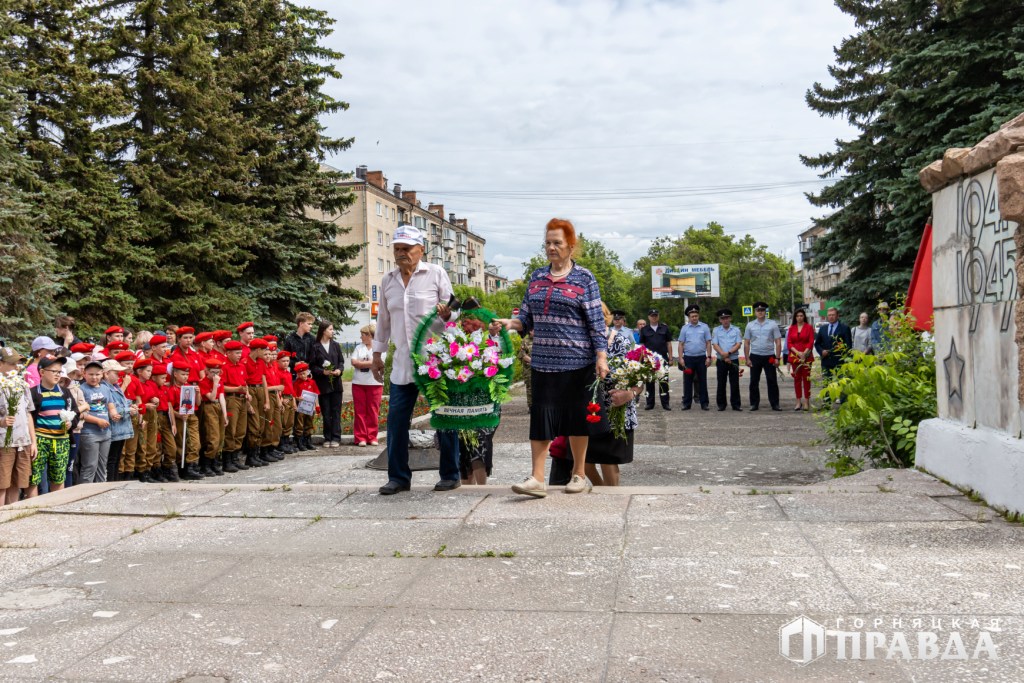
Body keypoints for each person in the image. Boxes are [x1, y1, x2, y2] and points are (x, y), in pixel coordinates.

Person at [496, 217, 608, 498]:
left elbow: (596, 322)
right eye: (547, 242)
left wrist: (601, 356)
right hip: (543, 362)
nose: (551, 247)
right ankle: (537, 478)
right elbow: (525, 318)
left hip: (577, 362)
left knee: (577, 420)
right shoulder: (536, 277)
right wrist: (510, 324)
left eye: (557, 242)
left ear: (571, 246)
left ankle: (579, 475)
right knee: (541, 419)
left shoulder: (584, 278)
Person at [372, 223, 462, 495]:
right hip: (402, 363)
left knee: (444, 418)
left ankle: (450, 473)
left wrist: (447, 314)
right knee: (397, 421)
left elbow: (454, 314)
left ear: (420, 250)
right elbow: (383, 321)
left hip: (435, 359)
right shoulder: (388, 280)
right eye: (397, 248)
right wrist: (377, 354)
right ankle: (398, 477)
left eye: (406, 248)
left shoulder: (436, 273)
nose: (401, 253)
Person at [27, 357, 76, 498]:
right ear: (42, 372)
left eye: (59, 372)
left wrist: (71, 423)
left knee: (59, 476)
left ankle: (56, 507)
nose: (57, 375)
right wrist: (32, 441)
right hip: (40, 439)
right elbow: (29, 416)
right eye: (53, 371)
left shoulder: (64, 392)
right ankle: (32, 508)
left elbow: (75, 411)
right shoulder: (34, 392)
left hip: (61, 440)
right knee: (34, 477)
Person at [1, 347, 36, 506]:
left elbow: (28, 413)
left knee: (17, 482)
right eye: (12, 363)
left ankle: (11, 512)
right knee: (2, 484)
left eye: (18, 363)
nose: (16, 367)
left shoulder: (22, 384)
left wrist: (33, 441)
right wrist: (1, 422)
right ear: (1, 364)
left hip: (23, 441)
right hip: (4, 442)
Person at [78, 359, 114, 482]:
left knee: (102, 465)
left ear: (103, 374)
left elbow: (110, 404)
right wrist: (97, 421)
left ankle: (100, 491)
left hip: (105, 432)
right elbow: (81, 413)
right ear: (84, 374)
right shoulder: (81, 389)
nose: (94, 377)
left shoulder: (105, 388)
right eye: (91, 374)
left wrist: (114, 413)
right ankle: (83, 492)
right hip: (89, 432)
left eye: (97, 374)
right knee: (90, 465)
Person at [743, 302, 783, 411]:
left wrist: (778, 358)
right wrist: (747, 358)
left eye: (762, 310)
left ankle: (775, 404)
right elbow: (746, 342)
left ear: (765, 312)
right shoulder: (750, 325)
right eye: (758, 310)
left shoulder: (772, 324)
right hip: (755, 356)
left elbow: (778, 342)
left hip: (769, 355)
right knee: (754, 381)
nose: (760, 312)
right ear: (755, 312)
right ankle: (754, 404)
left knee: (772, 380)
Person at [311, 320, 344, 448]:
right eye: (330, 329)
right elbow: (312, 366)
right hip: (323, 384)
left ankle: (336, 437)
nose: (332, 331)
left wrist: (339, 371)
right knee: (326, 411)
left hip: (336, 384)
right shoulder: (315, 347)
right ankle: (327, 437)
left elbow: (341, 362)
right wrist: (322, 371)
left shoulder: (335, 345)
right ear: (323, 330)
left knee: (336, 411)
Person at [102, 359, 135, 482]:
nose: (119, 375)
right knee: (112, 459)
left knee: (116, 457)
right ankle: (111, 482)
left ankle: (114, 482)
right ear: (106, 374)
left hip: (120, 429)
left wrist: (130, 405)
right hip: (114, 428)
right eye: (115, 373)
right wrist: (128, 410)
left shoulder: (114, 386)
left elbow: (121, 402)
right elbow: (112, 408)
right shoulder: (105, 388)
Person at [350, 324, 383, 447]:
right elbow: (354, 362)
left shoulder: (379, 349)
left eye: (363, 335)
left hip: (375, 383)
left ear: (369, 336)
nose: (361, 337)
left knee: (373, 411)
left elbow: (379, 363)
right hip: (358, 383)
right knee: (360, 411)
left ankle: (372, 437)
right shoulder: (359, 348)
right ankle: (360, 437)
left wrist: (361, 363)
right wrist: (370, 363)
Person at [168, 365, 202, 480]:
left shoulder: (189, 387)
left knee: (195, 443)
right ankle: (181, 467)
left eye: (187, 374)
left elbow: (198, 403)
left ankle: (191, 466)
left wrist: (197, 393)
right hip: (179, 417)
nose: (185, 377)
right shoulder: (172, 389)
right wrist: (179, 415)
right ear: (175, 374)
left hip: (191, 416)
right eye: (183, 374)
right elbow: (170, 407)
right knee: (181, 443)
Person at [242, 338, 272, 467]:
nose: (267, 353)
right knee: (254, 424)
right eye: (264, 350)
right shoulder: (245, 362)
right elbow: (244, 382)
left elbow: (264, 380)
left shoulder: (261, 362)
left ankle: (257, 454)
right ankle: (251, 456)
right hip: (251, 390)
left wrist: (267, 400)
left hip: (260, 390)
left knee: (261, 425)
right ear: (258, 350)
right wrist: (248, 401)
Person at [221, 340, 250, 471]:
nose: (240, 355)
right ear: (228, 353)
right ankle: (227, 460)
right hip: (231, 399)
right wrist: (237, 389)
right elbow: (222, 387)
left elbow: (245, 383)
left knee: (241, 430)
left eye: (240, 352)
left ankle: (235, 457)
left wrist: (247, 393)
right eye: (237, 353)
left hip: (242, 399)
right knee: (231, 430)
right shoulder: (224, 367)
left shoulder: (241, 366)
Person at [677, 304, 712, 410]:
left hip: (701, 358)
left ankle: (704, 403)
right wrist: (680, 358)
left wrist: (709, 357)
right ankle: (687, 403)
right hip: (688, 358)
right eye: (692, 316)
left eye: (696, 315)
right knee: (687, 382)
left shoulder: (704, 327)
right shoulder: (684, 328)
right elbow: (681, 344)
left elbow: (708, 343)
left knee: (702, 381)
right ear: (689, 317)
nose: (694, 318)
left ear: (698, 316)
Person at [198, 356, 228, 476]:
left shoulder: (219, 381)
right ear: (206, 371)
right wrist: (215, 384)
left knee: (220, 437)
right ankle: (207, 464)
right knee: (213, 437)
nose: (216, 375)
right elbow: (212, 397)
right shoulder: (203, 382)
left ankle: (215, 462)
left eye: (218, 372)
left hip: (218, 407)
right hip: (208, 406)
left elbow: (221, 397)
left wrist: (225, 414)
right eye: (212, 372)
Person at [638, 308, 672, 410]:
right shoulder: (644, 330)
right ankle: (650, 403)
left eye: (656, 315)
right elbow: (642, 345)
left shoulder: (665, 328)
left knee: (664, 382)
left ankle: (665, 403)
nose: (654, 317)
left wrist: (670, 358)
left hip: (663, 359)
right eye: (652, 316)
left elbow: (669, 344)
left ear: (658, 316)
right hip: (649, 360)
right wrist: (642, 359)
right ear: (649, 317)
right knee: (649, 382)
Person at [711, 308, 742, 411]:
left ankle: (736, 404)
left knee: (735, 383)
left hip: (733, 360)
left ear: (730, 318)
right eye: (723, 318)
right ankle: (721, 404)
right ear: (720, 320)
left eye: (727, 318)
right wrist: (723, 355)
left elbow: (738, 344)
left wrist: (728, 354)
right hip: (721, 361)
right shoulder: (716, 330)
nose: (725, 320)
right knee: (721, 383)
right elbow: (715, 344)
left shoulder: (736, 330)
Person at [815, 307, 853, 387]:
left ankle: (842, 400)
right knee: (827, 385)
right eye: (829, 315)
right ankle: (828, 400)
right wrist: (821, 351)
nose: (831, 317)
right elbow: (817, 343)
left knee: (842, 385)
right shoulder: (822, 329)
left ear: (838, 316)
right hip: (826, 362)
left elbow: (848, 346)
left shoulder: (844, 328)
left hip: (840, 362)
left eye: (833, 315)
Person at [787, 308, 815, 411]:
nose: (799, 317)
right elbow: (789, 343)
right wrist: (798, 353)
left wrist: (804, 353)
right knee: (797, 379)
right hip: (795, 357)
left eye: (801, 316)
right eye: (797, 316)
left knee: (806, 379)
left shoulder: (809, 327)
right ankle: (798, 401)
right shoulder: (791, 328)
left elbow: (811, 341)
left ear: (804, 317)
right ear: (795, 317)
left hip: (806, 357)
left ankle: (806, 401)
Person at [292, 362, 319, 451]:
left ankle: (308, 441)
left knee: (309, 423)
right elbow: (294, 394)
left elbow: (315, 394)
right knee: (299, 424)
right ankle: (299, 441)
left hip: (310, 407)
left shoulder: (312, 382)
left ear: (307, 372)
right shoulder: (296, 383)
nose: (302, 376)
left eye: (304, 373)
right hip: (301, 407)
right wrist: (297, 398)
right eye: (300, 374)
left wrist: (317, 405)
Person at [517, 331, 534, 409]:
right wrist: (532, 361)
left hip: (540, 369)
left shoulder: (540, 340)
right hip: (529, 369)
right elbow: (521, 354)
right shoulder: (525, 341)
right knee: (530, 388)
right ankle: (531, 406)